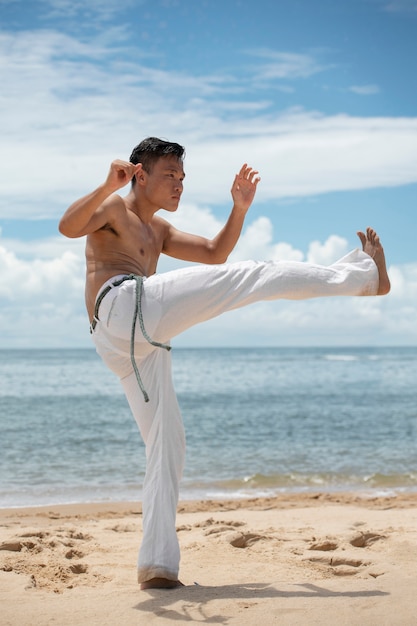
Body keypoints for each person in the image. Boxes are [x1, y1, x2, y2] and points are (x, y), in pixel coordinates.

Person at [59, 137, 390, 590]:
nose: (179, 184)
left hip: (132, 341)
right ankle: (365, 277)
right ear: (139, 173)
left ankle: (157, 565)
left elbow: (215, 253)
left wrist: (240, 208)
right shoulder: (114, 209)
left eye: (182, 177)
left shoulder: (159, 232)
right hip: (120, 308)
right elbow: (67, 227)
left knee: (168, 441)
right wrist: (105, 184)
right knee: (253, 275)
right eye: (169, 175)